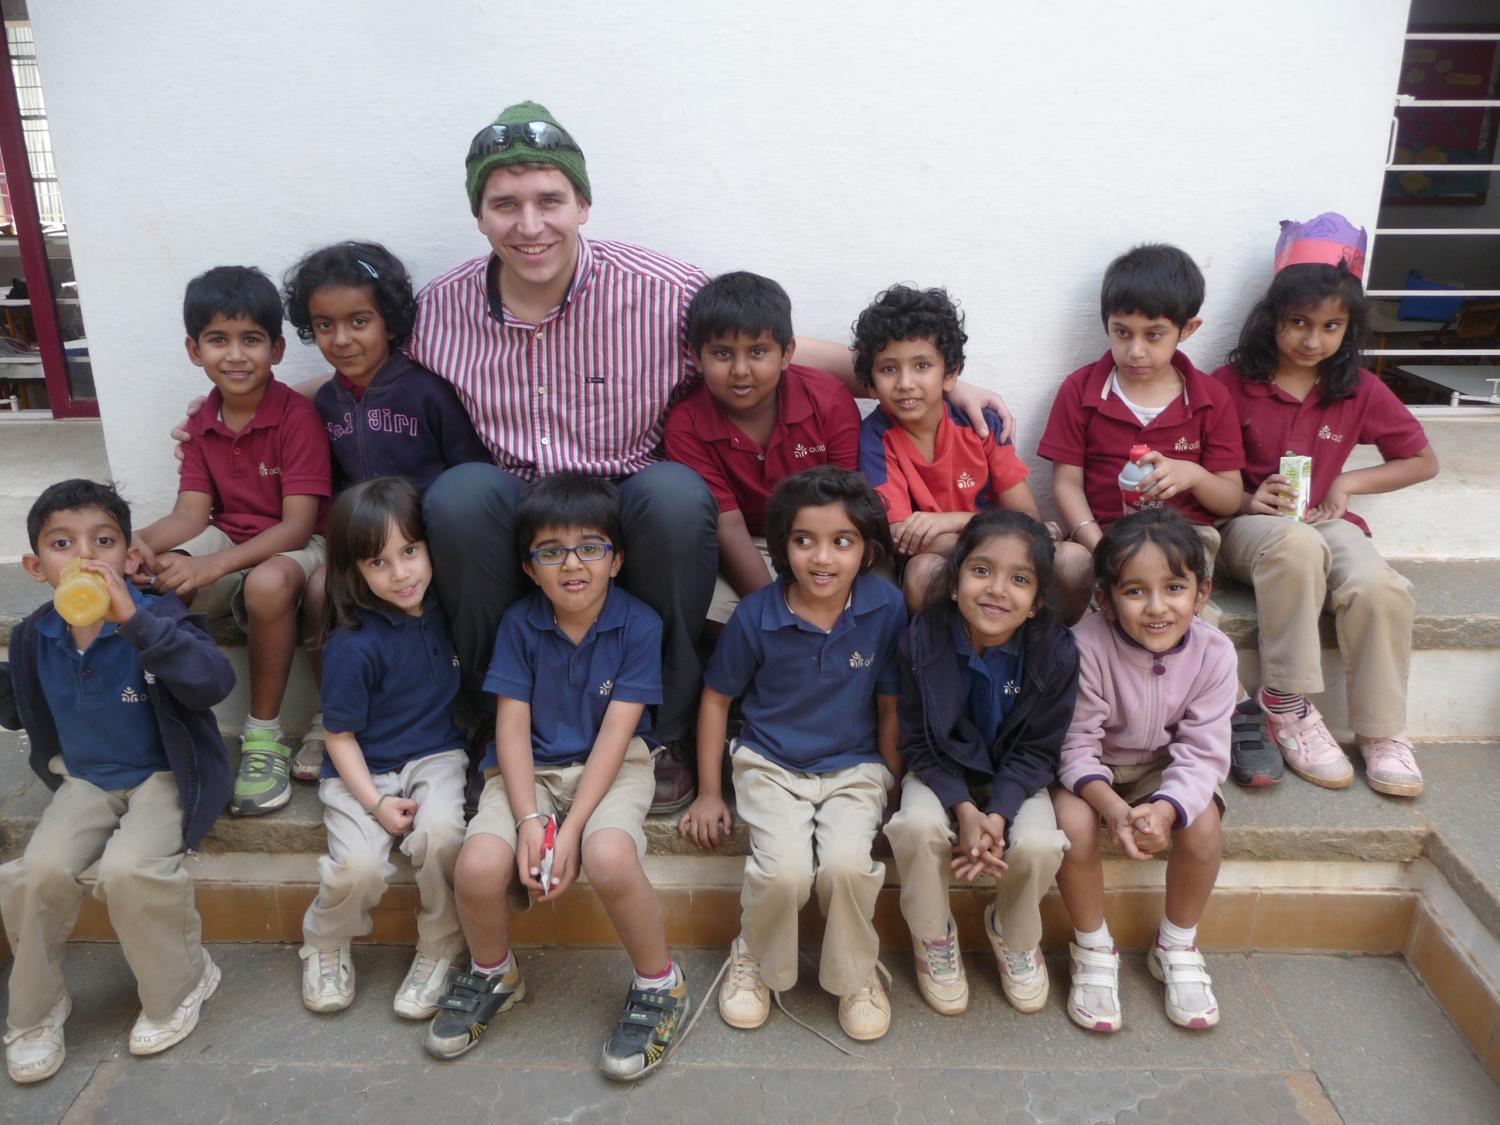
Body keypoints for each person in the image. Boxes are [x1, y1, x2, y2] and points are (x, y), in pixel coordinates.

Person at [409, 101, 1013, 814]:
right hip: (520, 506)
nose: (530, 225)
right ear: (479, 215)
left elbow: (769, 341)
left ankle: (663, 734)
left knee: (673, 494)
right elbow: (359, 370)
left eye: (550, 200)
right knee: (456, 495)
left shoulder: (658, 288)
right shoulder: (439, 310)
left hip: (627, 497)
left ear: (583, 204)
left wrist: (939, 383)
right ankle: (495, 716)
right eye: (505, 204)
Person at [425, 474, 688, 1082]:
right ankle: (495, 972)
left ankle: (660, 983)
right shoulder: (519, 625)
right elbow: (510, 731)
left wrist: (566, 833)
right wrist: (528, 821)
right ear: (530, 565)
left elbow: (618, 738)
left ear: (617, 560)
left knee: (610, 855)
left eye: (590, 547)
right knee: (479, 864)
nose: (573, 564)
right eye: (552, 551)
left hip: (613, 767)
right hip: (529, 771)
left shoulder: (639, 625)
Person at [0, 480, 234, 1083]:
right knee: (35, 873)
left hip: (163, 774)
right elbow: (16, 700)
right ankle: (36, 1007)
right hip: (86, 781)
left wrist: (137, 623)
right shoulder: (35, 636)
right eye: (61, 543)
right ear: (35, 566)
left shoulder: (159, 618)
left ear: (130, 559)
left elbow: (211, 683)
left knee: (129, 870)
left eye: (102, 540)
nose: (84, 556)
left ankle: (182, 982)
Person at [1213, 213, 1438, 797]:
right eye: (1299, 323)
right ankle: (1285, 701)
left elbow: (1421, 460)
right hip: (1250, 527)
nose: (1313, 339)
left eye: (1331, 326)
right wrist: (1245, 495)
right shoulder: (1230, 384)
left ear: (1348, 329)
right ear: (1273, 319)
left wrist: (1347, 486)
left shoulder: (1357, 388)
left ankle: (1382, 732)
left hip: (1324, 520)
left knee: (1380, 585)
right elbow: (1206, 477)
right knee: (1294, 543)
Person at [678, 467, 906, 1042]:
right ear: (782, 548)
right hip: (770, 765)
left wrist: (891, 788)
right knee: (783, 874)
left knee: (846, 868)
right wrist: (709, 791)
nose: (822, 558)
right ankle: (754, 958)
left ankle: (855, 975)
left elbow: (890, 708)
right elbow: (715, 700)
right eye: (804, 541)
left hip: (855, 767)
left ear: (868, 551)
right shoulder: (758, 615)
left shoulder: (886, 607)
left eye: (842, 542)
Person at [281, 241, 491, 781]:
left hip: (427, 545)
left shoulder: (428, 391)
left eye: (359, 321)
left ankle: (467, 713)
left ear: (391, 321)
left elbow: (467, 471)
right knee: (319, 587)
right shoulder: (324, 403)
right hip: (362, 548)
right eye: (324, 325)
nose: (342, 338)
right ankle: (332, 718)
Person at [135, 265, 332, 816]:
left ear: (276, 348)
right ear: (195, 350)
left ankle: (263, 736)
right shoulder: (202, 423)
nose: (236, 355)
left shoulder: (297, 417)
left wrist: (214, 567)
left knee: (267, 584)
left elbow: (296, 526)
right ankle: (172, 723)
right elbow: (191, 514)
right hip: (227, 537)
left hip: (301, 546)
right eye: (218, 340)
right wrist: (133, 542)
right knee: (161, 573)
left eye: (251, 340)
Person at [884, 511, 1078, 1018]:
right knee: (917, 826)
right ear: (954, 584)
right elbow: (919, 740)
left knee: (1039, 843)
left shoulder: (1055, 653)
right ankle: (933, 938)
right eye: (981, 570)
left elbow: (1039, 750)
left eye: (1019, 580)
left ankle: (1013, 935)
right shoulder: (921, 640)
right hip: (940, 768)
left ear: (1037, 602)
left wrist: (998, 814)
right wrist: (965, 810)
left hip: (1016, 774)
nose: (996, 590)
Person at [1053, 509, 1235, 1033]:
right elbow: (1073, 745)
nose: (1158, 608)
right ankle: (1093, 946)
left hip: (1164, 768)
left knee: (1201, 825)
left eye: (1175, 587)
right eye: (1135, 592)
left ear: (1202, 593)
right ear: (1104, 600)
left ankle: (1176, 944)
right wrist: (1113, 808)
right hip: (1091, 772)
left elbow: (1203, 752)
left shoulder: (1215, 653)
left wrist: (1164, 807)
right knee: (1072, 825)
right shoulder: (1083, 648)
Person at [297, 479, 468, 1021]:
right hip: (362, 767)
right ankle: (325, 941)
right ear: (353, 571)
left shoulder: (452, 608)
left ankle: (440, 948)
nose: (402, 574)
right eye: (378, 561)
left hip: (437, 754)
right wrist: (373, 803)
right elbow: (340, 737)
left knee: (443, 838)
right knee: (357, 870)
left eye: (410, 551)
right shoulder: (354, 643)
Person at [1036, 243, 1245, 625]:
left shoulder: (1211, 397)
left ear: (1188, 329)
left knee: (1171, 620)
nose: (1135, 351)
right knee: (1099, 603)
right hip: (1104, 534)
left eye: (1154, 335)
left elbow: (1230, 498)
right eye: (1122, 332)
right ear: (1106, 325)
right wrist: (1096, 544)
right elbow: (1067, 484)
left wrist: (1193, 475)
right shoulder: (1080, 391)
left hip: (1186, 541)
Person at [853, 285, 1080, 614]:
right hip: (942, 559)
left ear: (951, 373)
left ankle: (1053, 651)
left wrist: (950, 520)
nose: (905, 383)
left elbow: (1027, 515)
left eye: (921, 365)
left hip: (995, 551)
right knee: (921, 572)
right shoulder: (876, 437)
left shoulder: (982, 424)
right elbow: (904, 536)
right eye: (889, 369)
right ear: (871, 383)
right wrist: (1005, 536)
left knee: (1075, 561)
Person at [664, 270, 861, 624]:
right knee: (710, 612)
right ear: (696, 356)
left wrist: (817, 582)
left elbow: (844, 503)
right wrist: (779, 613)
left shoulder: (828, 399)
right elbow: (729, 528)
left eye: (757, 352)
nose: (740, 370)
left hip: (826, 537)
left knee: (875, 601)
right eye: (722, 353)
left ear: (787, 353)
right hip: (746, 546)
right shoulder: (687, 423)